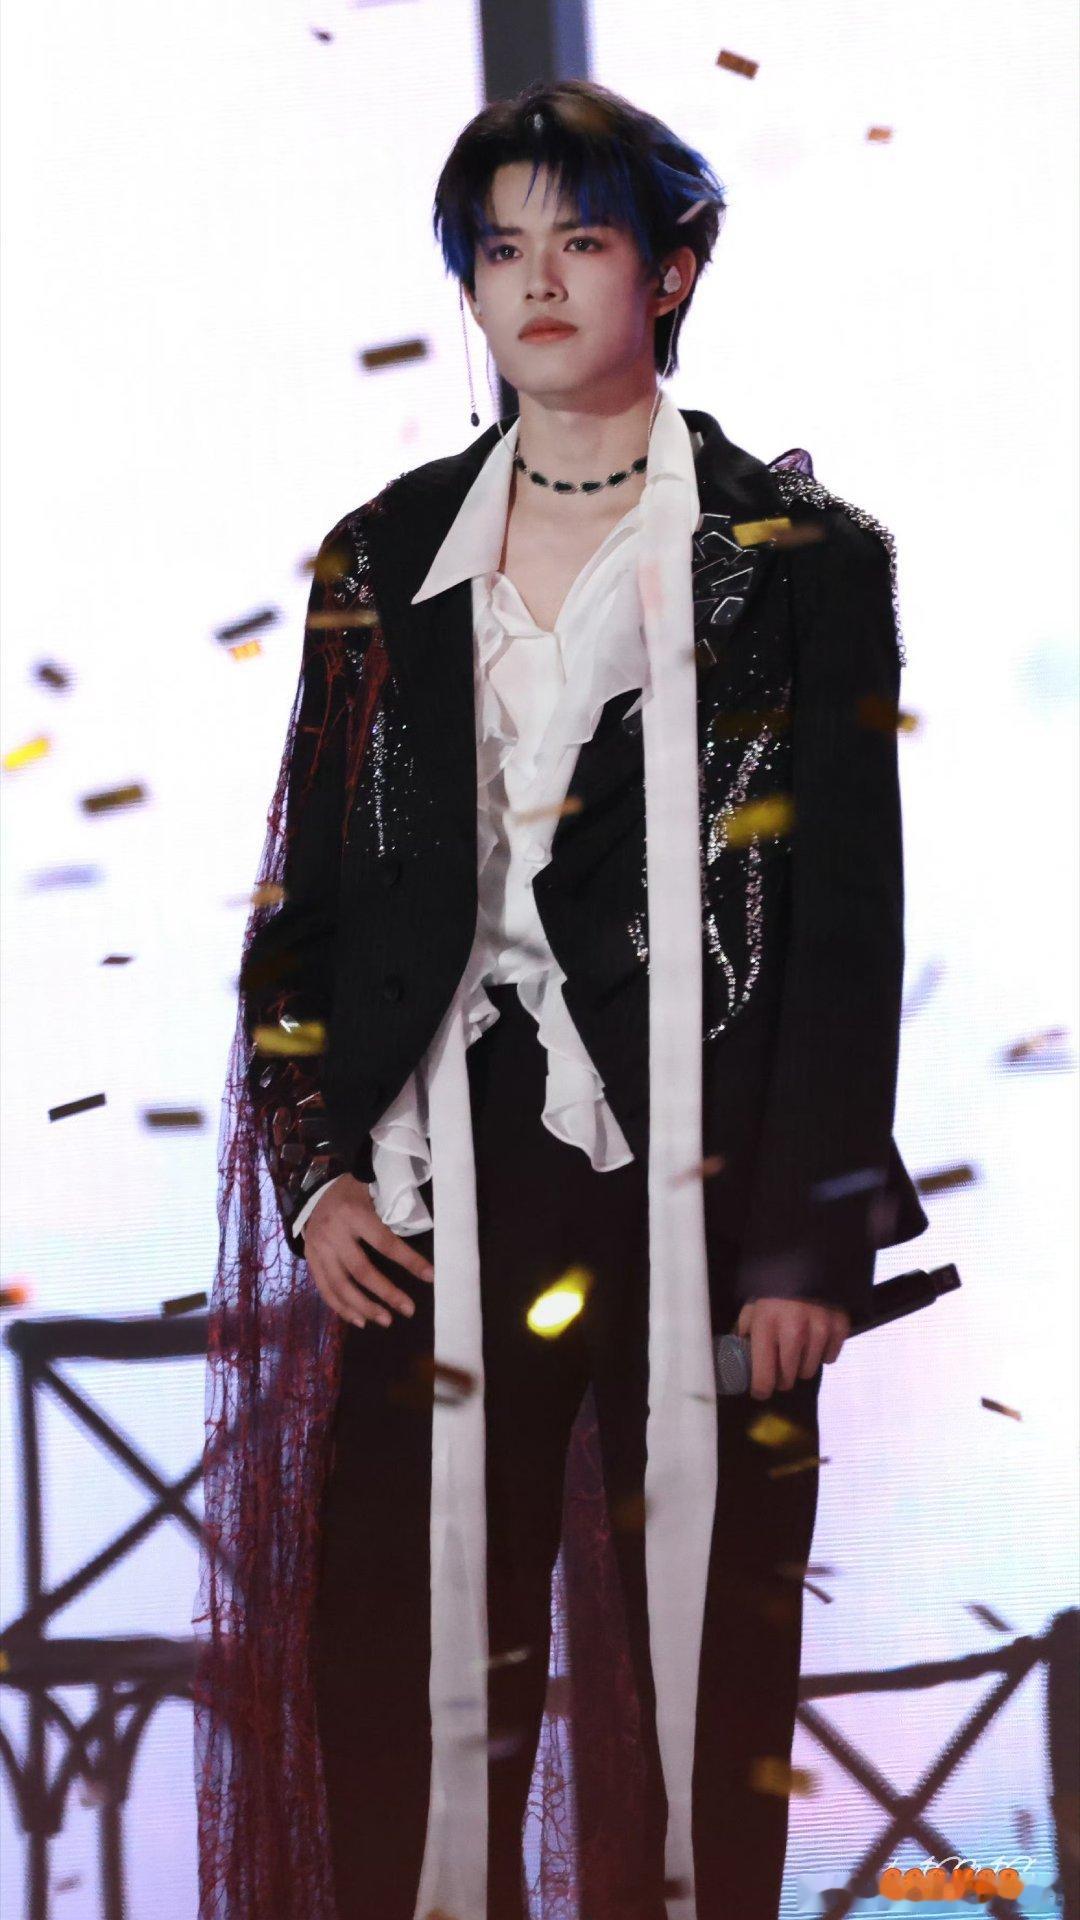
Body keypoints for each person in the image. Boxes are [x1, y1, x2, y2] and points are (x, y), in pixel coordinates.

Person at [195, 78, 929, 1920]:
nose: (534, 283)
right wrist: (316, 1172)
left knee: (706, 1682)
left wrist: (807, 1247)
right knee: (408, 1682)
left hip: (706, 1186)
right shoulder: (382, 557)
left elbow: (845, 934)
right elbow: (301, 912)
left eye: (581, 242)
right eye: (500, 248)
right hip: (436, 1188)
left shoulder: (802, 564)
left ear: (668, 273)